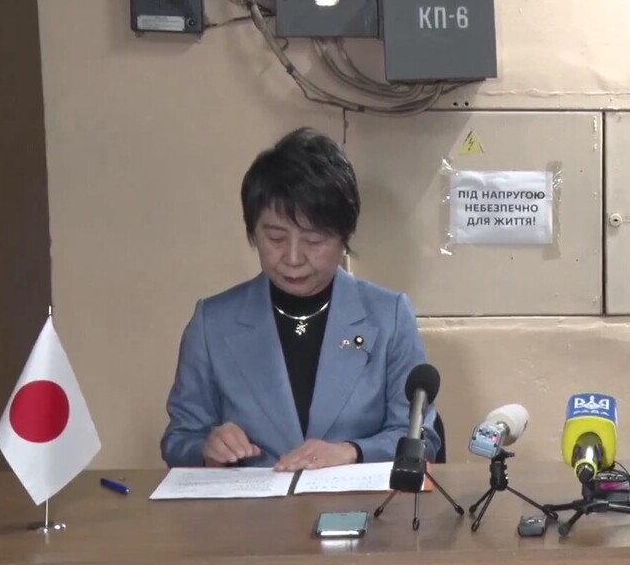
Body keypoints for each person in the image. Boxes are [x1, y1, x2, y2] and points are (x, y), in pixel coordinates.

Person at [161, 128, 443, 470]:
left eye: (313, 240)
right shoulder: (212, 322)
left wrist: (351, 451)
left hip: (356, 501)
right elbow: (179, 439)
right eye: (275, 238)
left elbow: (422, 438)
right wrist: (207, 446)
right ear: (253, 233)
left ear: (344, 237)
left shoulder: (389, 315)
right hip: (248, 504)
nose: (293, 258)